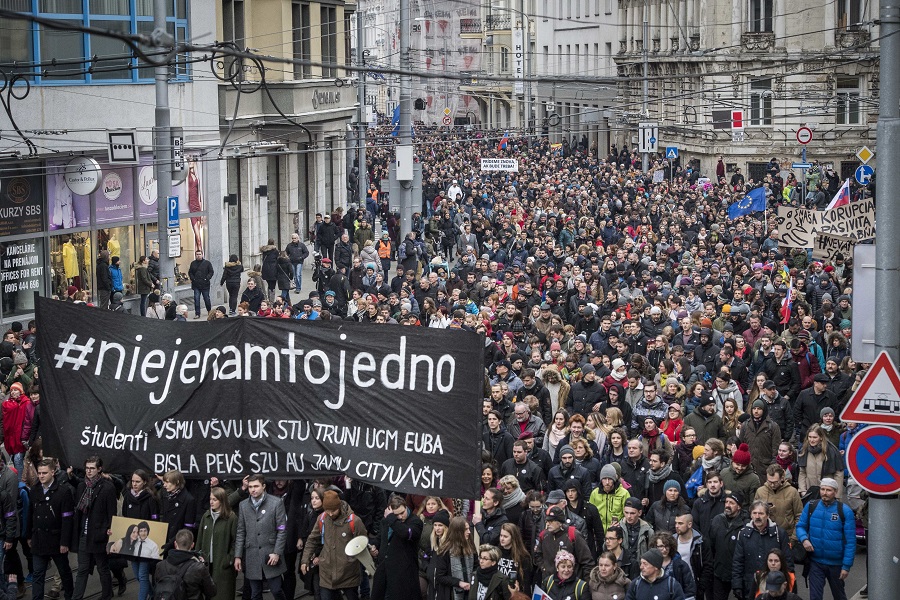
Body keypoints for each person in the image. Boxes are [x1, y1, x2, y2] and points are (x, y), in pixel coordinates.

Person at [300, 489, 370, 600]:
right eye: (327, 510)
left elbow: (363, 542)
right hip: (327, 573)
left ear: (339, 506)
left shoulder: (354, 521)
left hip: (349, 573)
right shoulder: (322, 519)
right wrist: (305, 560)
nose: (331, 514)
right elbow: (312, 540)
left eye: (334, 510)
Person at [795, 478, 855, 600]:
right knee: (815, 597)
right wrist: (804, 539)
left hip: (836, 564)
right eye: (822, 489)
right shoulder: (811, 506)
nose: (825, 493)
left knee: (839, 596)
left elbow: (850, 542)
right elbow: (800, 526)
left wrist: (846, 566)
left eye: (829, 490)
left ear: (836, 492)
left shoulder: (844, 511)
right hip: (815, 562)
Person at [26, 458, 74, 600]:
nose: (41, 476)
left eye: (44, 473)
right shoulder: (34, 490)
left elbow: (67, 519)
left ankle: (70, 596)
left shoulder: (63, 491)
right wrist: (29, 535)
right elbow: (30, 514)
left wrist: (65, 542)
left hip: (56, 540)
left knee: (64, 571)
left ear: (52, 472)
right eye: (39, 473)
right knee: (38, 574)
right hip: (39, 539)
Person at [234, 474, 288, 600]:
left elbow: (282, 530)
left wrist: (277, 552)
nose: (253, 489)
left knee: (276, 590)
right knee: (255, 593)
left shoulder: (276, 503)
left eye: (256, 486)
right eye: (250, 487)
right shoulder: (243, 505)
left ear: (263, 486)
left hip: (270, 553)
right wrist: (238, 556)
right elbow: (241, 531)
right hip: (252, 553)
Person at [72, 456, 118, 600]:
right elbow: (79, 512)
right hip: (84, 535)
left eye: (92, 468)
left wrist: (109, 532)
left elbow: (112, 513)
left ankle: (106, 595)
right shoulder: (81, 486)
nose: (89, 471)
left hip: (99, 534)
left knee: (102, 568)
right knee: (82, 569)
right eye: (87, 468)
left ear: (99, 469)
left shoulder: (107, 487)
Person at [732, 501, 793, 600]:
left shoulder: (779, 534)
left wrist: (790, 584)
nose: (757, 516)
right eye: (754, 513)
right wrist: (737, 584)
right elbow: (738, 561)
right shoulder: (743, 534)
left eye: (761, 513)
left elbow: (788, 560)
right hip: (750, 585)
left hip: (774, 586)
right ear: (751, 515)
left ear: (767, 515)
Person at [371, 495, 423, 600]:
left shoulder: (415, 521)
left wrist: (391, 518)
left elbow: (405, 533)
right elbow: (381, 537)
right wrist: (374, 546)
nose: (400, 517)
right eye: (396, 515)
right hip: (384, 570)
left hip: (403, 574)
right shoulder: (387, 520)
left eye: (402, 513)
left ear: (406, 507)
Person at [196, 487, 238, 600]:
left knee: (222, 594)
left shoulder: (231, 518)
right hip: (206, 564)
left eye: (214, 499)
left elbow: (236, 541)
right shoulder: (206, 516)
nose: (211, 502)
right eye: (210, 499)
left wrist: (229, 559)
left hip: (222, 565)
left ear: (222, 500)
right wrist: (198, 554)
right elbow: (199, 538)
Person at [154, 529, 217, 600]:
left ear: (175, 544)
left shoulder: (160, 565)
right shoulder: (199, 567)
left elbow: (157, 587)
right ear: (192, 545)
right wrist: (204, 567)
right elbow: (211, 592)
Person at [708, 492, 749, 600]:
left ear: (739, 506)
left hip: (740, 574)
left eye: (731, 503)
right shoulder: (717, 520)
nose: (727, 505)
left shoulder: (746, 525)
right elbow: (711, 545)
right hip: (719, 572)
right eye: (726, 502)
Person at [432, 516, 476, 600]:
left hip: (470, 592)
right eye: (466, 529)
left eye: (468, 529)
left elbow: (476, 566)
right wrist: (459, 583)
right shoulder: (445, 551)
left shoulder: (471, 546)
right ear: (458, 532)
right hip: (450, 594)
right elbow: (440, 576)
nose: (469, 532)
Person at [188, 250, 214, 319]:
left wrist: (207, 278)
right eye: (197, 254)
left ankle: (209, 310)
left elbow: (211, 272)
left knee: (206, 298)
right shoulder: (193, 263)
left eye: (199, 254)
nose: (198, 255)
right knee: (196, 299)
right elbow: (190, 272)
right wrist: (193, 278)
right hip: (196, 285)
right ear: (195, 255)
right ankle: (197, 313)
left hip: (205, 284)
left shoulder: (207, 263)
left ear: (202, 255)